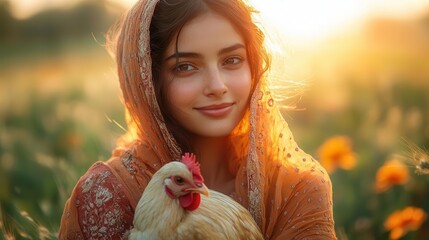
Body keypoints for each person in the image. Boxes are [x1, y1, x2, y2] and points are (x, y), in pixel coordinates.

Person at [59, 0, 336, 239]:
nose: (217, 86)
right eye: (185, 66)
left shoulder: (297, 189)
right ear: (148, 81)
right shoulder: (106, 194)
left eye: (232, 60)